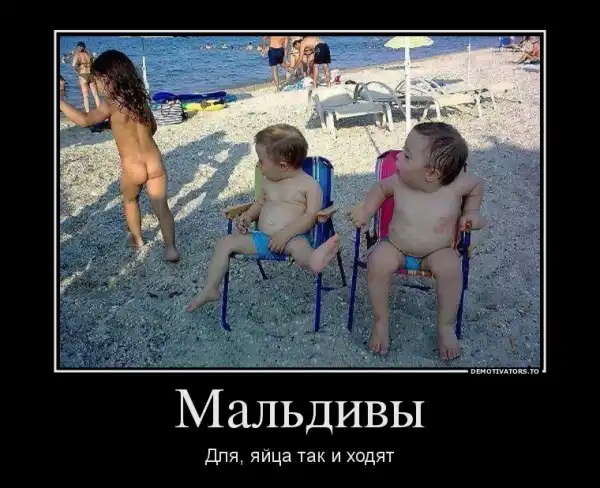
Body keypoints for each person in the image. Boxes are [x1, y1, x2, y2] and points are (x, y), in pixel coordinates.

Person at [348, 122, 486, 360]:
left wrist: (471, 212)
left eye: (407, 155)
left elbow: (477, 185)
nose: (397, 157)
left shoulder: (457, 185)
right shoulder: (397, 181)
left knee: (451, 268)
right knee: (377, 261)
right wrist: (367, 210)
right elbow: (380, 189)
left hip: (437, 251)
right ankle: (380, 322)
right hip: (396, 246)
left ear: (432, 173)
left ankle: (445, 326)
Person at [186, 123, 341, 312]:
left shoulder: (310, 185)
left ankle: (314, 261)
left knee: (302, 249)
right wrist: (247, 216)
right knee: (225, 243)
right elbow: (259, 204)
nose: (259, 165)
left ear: (282, 166)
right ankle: (211, 288)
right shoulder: (267, 181)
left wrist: (285, 234)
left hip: (293, 239)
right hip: (262, 239)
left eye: (261, 161)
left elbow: (311, 217)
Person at [59, 49, 180, 263]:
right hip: (154, 163)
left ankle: (137, 239)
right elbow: (152, 128)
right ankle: (171, 249)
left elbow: (85, 119)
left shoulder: (111, 104)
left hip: (133, 167)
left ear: (111, 78)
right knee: (162, 207)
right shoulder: (139, 100)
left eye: (98, 80)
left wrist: (59, 101)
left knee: (130, 200)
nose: (96, 85)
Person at [71, 41, 101, 112]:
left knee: (85, 96)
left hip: (83, 75)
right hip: (90, 74)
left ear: (78, 47)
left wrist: (78, 70)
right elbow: (93, 64)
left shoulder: (77, 55)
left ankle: (88, 112)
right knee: (96, 95)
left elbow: (73, 65)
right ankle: (100, 111)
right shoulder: (89, 54)